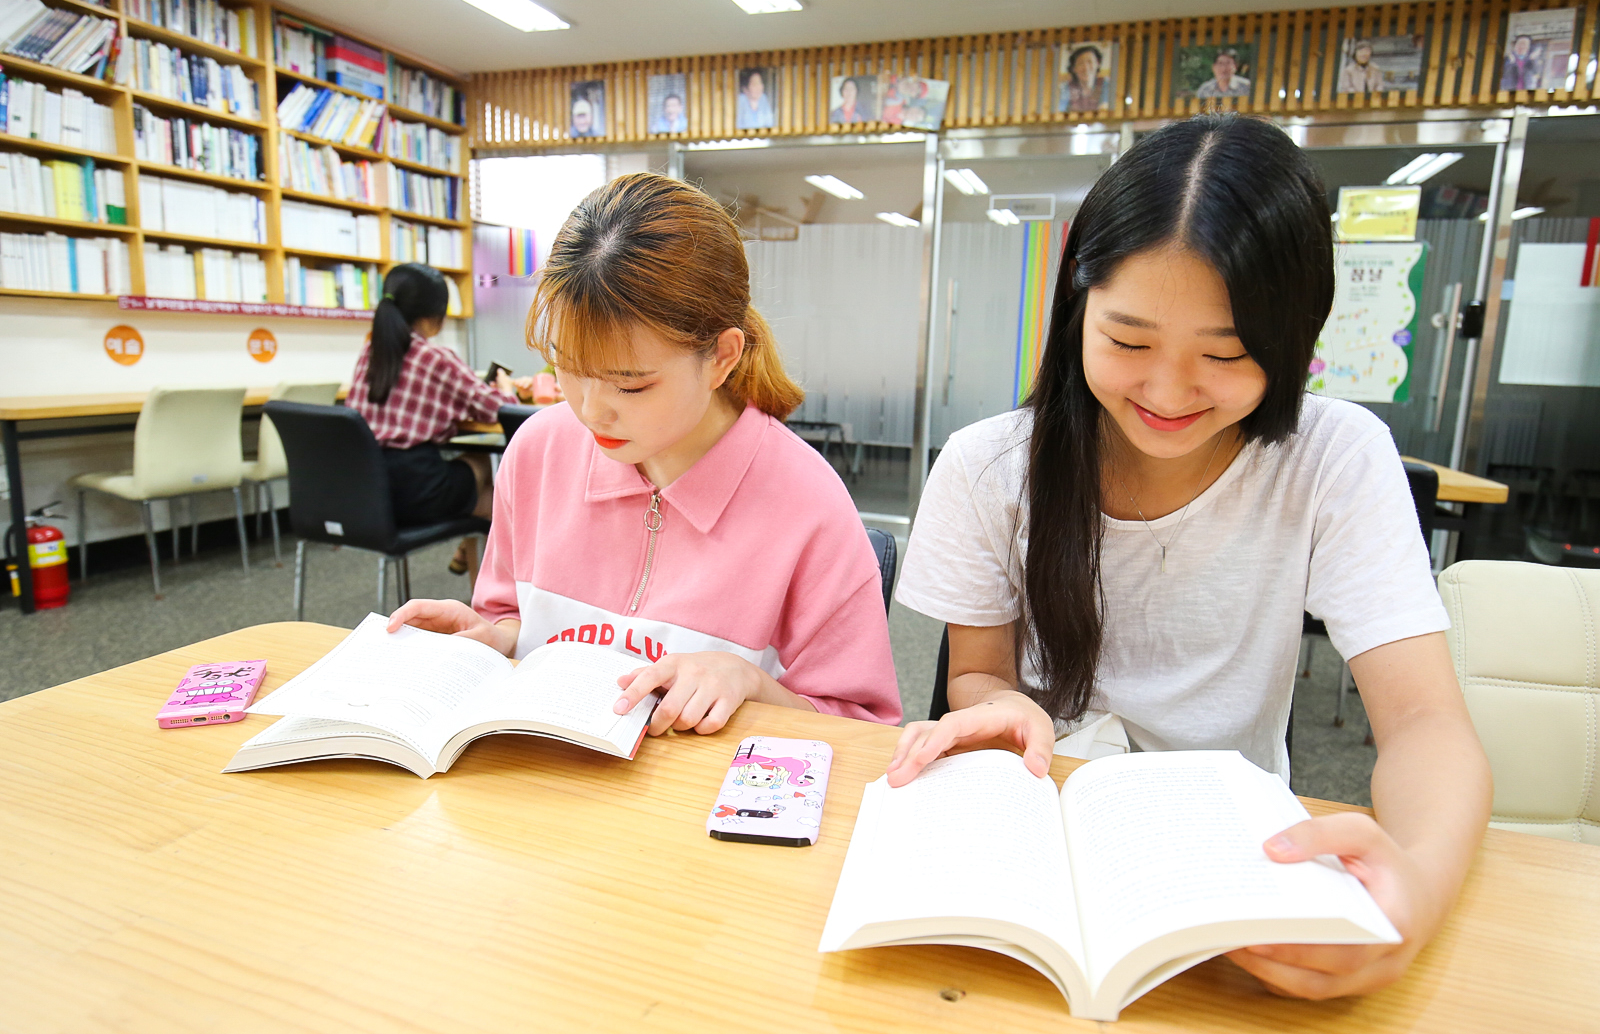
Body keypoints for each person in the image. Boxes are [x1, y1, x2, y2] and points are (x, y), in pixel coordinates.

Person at [887, 114, 1490, 1001]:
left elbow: (1428, 726)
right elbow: (975, 675)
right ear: (1077, 307)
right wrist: (1003, 706)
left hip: (1240, 870)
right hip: (1046, 840)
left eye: (1228, 354)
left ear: (1295, 344)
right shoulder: (988, 468)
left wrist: (1421, 890)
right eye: (1127, 341)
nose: (1167, 393)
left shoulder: (1334, 457)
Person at [387, 173, 901, 735]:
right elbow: (508, 612)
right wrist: (496, 635)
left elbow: (865, 730)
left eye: (630, 386)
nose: (590, 411)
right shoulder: (538, 450)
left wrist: (751, 684)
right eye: (569, 367)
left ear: (721, 358)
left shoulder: (808, 502)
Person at [348, 263, 526, 572]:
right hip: (414, 489)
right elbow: (498, 408)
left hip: (366, 491)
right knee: (492, 484)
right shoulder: (434, 357)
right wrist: (508, 386)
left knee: (491, 502)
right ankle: (493, 601)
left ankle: (471, 566)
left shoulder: (371, 352)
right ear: (435, 314)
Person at [1059, 44, 1107, 112]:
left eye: (1090, 62)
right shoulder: (1066, 87)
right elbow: (1060, 109)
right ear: (1073, 68)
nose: (1086, 68)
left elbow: (1107, 107)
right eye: (1081, 63)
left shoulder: (1106, 84)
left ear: (1098, 64)